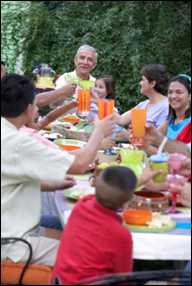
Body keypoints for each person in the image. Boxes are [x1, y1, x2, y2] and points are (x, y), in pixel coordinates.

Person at [1, 74, 115, 266]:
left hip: (12, 231)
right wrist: (99, 132)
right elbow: (79, 165)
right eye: (36, 104)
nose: (37, 108)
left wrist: (50, 185)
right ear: (29, 108)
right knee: (93, 256)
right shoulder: (16, 142)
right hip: (14, 244)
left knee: (70, 229)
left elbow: (9, 181)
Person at [52, 166, 138, 284]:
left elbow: (96, 196)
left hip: (59, 280)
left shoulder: (81, 205)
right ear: (129, 199)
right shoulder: (121, 235)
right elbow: (123, 278)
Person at [143, 74, 191, 156]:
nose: (173, 96)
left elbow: (186, 155)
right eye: (170, 92)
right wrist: (143, 144)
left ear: (190, 96)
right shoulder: (169, 121)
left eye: (179, 92)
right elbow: (157, 148)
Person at [116, 64, 169, 128]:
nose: (140, 83)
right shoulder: (143, 105)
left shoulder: (166, 107)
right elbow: (120, 120)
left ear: (152, 84)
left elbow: (161, 135)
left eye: (143, 80)